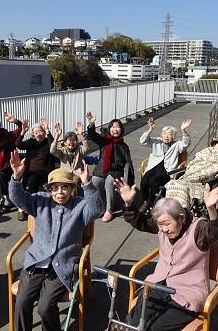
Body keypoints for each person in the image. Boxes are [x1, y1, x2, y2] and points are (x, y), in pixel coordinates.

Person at [114, 178, 218, 330]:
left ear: (181, 218)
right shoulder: (162, 222)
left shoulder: (198, 228)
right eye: (160, 225)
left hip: (187, 294)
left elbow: (217, 231)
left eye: (167, 224)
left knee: (152, 328)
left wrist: (211, 208)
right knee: (132, 323)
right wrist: (129, 204)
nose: (164, 229)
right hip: (158, 285)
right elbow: (140, 221)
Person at [8, 150, 102, 331]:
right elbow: (17, 199)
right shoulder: (40, 201)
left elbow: (96, 208)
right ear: (49, 189)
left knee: (45, 307)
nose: (60, 192)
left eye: (65, 187)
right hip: (36, 262)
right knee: (22, 300)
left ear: (72, 189)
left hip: (63, 265)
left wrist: (87, 183)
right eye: (55, 188)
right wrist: (16, 177)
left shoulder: (80, 205)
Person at [86, 111, 134, 223]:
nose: (115, 129)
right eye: (113, 127)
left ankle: (109, 210)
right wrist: (91, 124)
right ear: (109, 129)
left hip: (116, 171)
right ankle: (102, 207)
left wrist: (130, 181)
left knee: (109, 182)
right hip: (103, 168)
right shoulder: (105, 141)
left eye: (118, 127)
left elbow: (128, 163)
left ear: (121, 130)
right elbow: (93, 136)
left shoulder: (124, 146)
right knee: (95, 180)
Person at [165, 134, 218, 210]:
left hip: (201, 185)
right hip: (186, 178)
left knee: (174, 184)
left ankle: (177, 212)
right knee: (173, 184)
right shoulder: (206, 151)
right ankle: (173, 211)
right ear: (215, 144)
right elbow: (192, 164)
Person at [139, 117, 191, 212]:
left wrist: (184, 131)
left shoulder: (177, 145)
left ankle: (151, 203)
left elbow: (186, 143)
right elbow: (143, 141)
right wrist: (150, 130)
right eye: (164, 133)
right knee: (145, 179)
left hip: (168, 170)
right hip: (154, 166)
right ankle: (143, 200)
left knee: (153, 181)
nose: (166, 136)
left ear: (174, 136)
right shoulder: (157, 141)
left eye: (169, 134)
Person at [15, 117, 55, 193]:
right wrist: (23, 132)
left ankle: (33, 200)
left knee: (32, 180)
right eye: (36, 132)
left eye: (40, 131)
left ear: (44, 132)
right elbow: (18, 144)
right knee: (22, 179)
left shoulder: (48, 141)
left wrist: (47, 130)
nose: (38, 134)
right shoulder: (31, 142)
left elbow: (53, 146)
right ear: (33, 134)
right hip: (29, 170)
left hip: (44, 171)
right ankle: (22, 198)